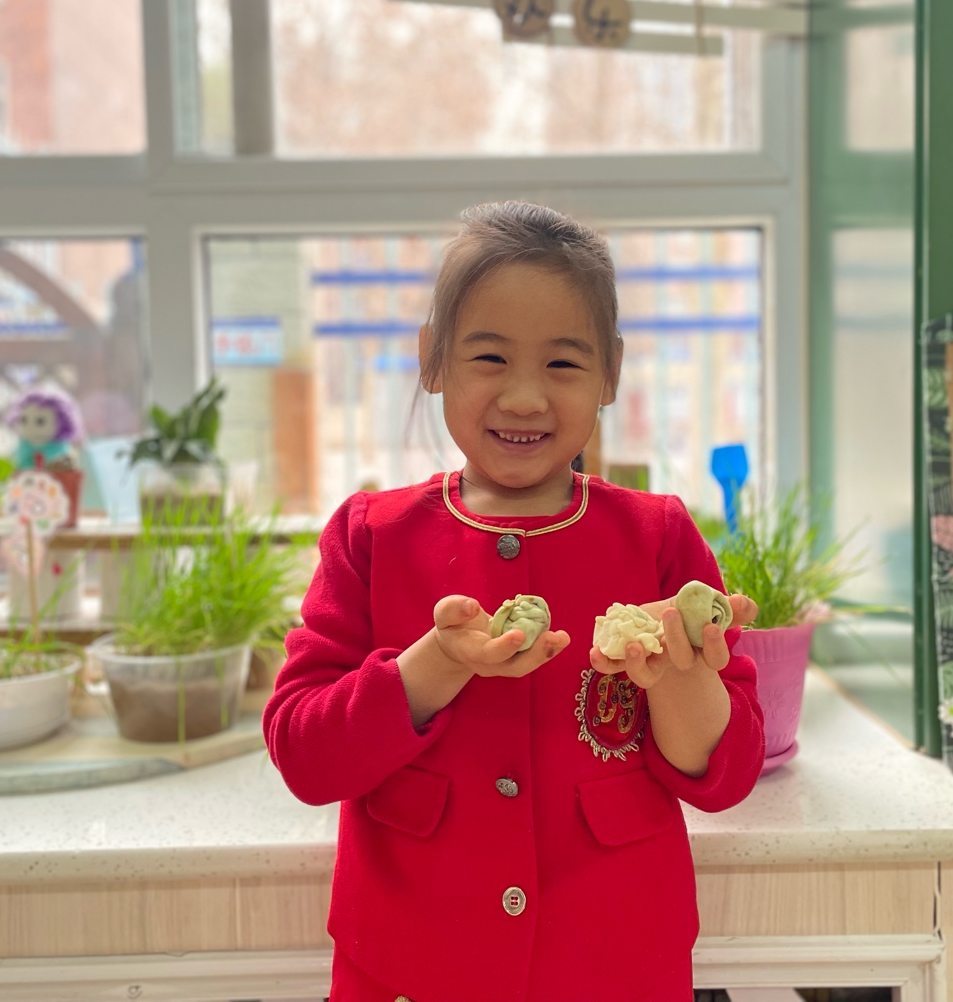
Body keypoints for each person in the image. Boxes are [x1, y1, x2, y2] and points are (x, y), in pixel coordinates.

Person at [265, 201, 766, 1002]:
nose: (526, 397)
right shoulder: (371, 536)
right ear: (433, 360)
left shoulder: (659, 536)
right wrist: (435, 665)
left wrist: (680, 674)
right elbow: (305, 755)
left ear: (610, 373)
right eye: (490, 357)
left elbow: (727, 774)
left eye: (564, 364)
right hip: (408, 963)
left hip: (614, 962)